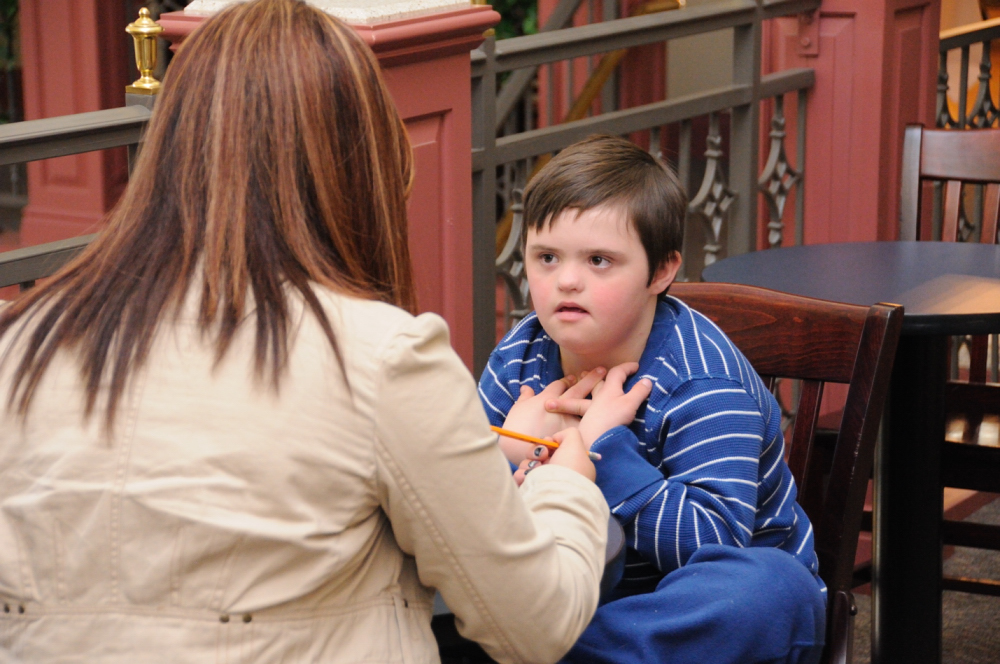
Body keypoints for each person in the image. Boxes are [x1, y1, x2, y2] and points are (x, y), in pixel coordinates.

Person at [0, 2, 613, 662]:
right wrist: (568, 482)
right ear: (362, 161)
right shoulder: (384, 356)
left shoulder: (24, 340)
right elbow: (535, 624)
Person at [479, 136, 828, 664]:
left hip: (688, 608)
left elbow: (714, 542)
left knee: (770, 588)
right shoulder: (520, 353)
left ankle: (545, 649)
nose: (566, 280)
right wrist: (508, 448)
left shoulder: (701, 380)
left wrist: (605, 450)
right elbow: (458, 504)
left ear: (662, 272)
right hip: (576, 588)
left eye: (599, 260)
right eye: (546, 257)